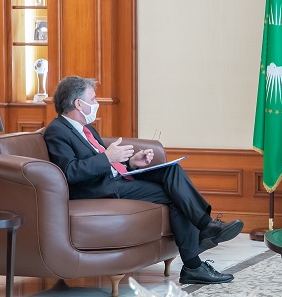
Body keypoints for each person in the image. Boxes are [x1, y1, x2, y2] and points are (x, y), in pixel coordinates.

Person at [44, 76, 244, 285]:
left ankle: (206, 227)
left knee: (172, 171)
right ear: (78, 103)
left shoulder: (87, 129)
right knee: (175, 196)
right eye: (92, 99)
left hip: (116, 177)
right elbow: (69, 172)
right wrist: (107, 158)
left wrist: (131, 163)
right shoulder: (57, 131)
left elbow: (105, 164)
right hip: (99, 188)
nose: (96, 104)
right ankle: (195, 261)